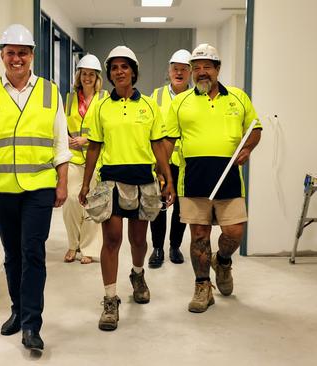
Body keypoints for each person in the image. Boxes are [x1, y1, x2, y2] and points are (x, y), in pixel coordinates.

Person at [0, 24, 71, 351]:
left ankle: (31, 325)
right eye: (10, 53)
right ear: (2, 56)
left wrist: (62, 182)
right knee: (12, 256)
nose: (17, 58)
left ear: (32, 56)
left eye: (22, 53)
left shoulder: (50, 92)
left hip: (40, 186)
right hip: (2, 188)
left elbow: (61, 143)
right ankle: (17, 310)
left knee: (32, 253)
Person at [78, 46, 175, 331]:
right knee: (111, 239)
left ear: (133, 71)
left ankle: (137, 274)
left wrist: (167, 179)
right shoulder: (101, 107)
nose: (119, 72)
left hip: (143, 180)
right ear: (108, 74)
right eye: (114, 68)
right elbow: (94, 146)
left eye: (124, 67)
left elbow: (158, 144)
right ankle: (110, 299)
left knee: (138, 241)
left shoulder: (148, 105)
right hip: (111, 180)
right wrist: (85, 183)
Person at [165, 43, 262, 313]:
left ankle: (223, 261)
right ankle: (202, 286)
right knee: (199, 235)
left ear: (218, 69)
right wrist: (165, 177)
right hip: (193, 179)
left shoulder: (238, 98)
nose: (201, 72)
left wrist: (248, 147)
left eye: (207, 67)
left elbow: (255, 128)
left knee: (234, 233)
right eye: (196, 68)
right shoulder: (181, 102)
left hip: (230, 178)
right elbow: (167, 141)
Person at [147, 49, 192, 268]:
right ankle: (157, 248)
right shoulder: (156, 96)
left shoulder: (196, 98)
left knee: (182, 207)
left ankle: (175, 246)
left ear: (190, 72)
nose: (179, 73)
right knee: (158, 205)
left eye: (184, 69)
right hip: (161, 160)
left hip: (185, 162)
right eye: (176, 69)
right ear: (169, 70)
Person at [62, 54, 105, 264]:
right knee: (70, 200)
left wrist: (85, 139)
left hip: (95, 159)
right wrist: (67, 139)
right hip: (72, 158)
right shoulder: (69, 98)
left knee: (90, 203)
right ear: (79, 76)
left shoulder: (104, 98)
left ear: (97, 77)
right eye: (84, 74)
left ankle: (88, 248)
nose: (87, 78)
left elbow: (108, 129)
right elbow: (60, 124)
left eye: (91, 74)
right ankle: (73, 244)